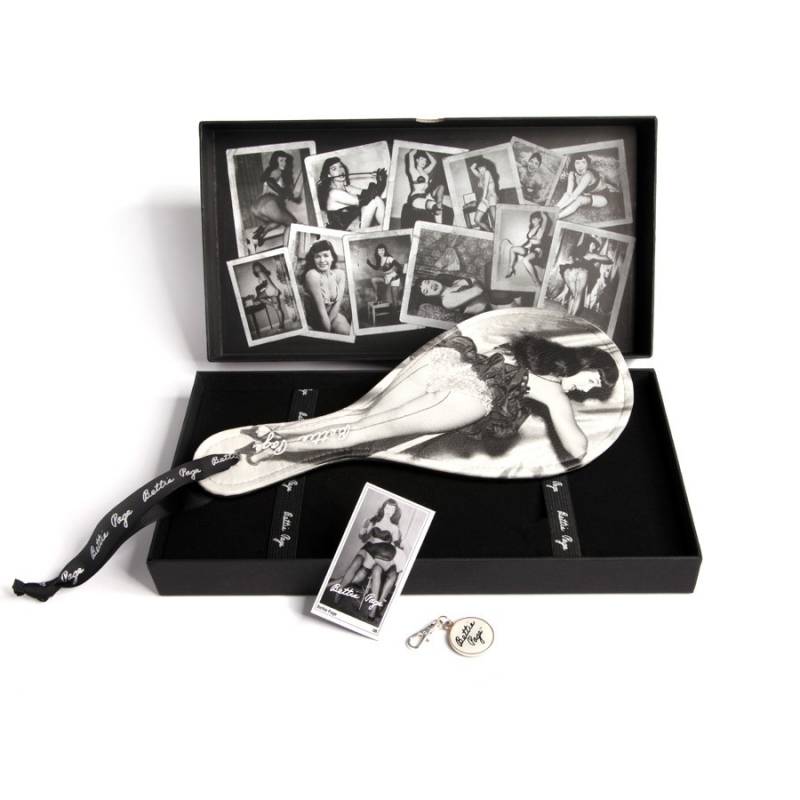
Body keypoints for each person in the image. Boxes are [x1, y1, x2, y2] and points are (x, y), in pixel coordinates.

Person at [257, 332, 620, 468]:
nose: (585, 390)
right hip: (462, 387)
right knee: (362, 424)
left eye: (593, 391)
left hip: (452, 370)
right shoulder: (549, 371)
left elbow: (577, 449)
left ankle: (278, 441)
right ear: (586, 362)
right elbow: (577, 449)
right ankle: (277, 443)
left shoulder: (550, 382)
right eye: (591, 381)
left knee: (362, 424)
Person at [329, 498, 405, 619]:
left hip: (379, 553)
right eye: (387, 507)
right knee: (355, 563)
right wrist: (363, 529)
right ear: (383, 508)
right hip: (368, 548)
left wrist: (400, 545)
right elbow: (363, 536)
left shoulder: (395, 528)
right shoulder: (374, 521)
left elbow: (396, 546)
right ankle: (339, 590)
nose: (388, 511)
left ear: (395, 511)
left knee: (362, 574)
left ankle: (336, 585)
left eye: (392, 509)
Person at [317, 156, 386, 230]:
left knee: (377, 199)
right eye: (334, 169)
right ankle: (385, 228)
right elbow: (364, 200)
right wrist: (379, 184)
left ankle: (386, 228)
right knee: (374, 201)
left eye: (341, 166)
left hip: (355, 226)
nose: (340, 170)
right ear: (329, 175)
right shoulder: (333, 193)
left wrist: (381, 182)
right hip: (343, 232)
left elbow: (368, 194)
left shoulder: (348, 188)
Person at [554, 235, 614, 317]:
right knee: (578, 295)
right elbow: (609, 260)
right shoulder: (591, 254)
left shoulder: (577, 251)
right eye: (593, 244)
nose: (595, 247)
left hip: (569, 271)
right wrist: (597, 256)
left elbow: (571, 260)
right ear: (589, 244)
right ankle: (572, 317)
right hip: (582, 272)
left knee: (573, 294)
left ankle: (569, 314)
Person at [249, 151, 301, 245]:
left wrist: (292, 198)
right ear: (275, 161)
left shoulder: (271, 172)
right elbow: (270, 181)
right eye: (281, 160)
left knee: (277, 222)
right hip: (268, 203)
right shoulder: (277, 171)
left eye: (285, 161)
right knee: (293, 224)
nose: (284, 163)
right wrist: (282, 191)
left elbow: (274, 188)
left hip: (257, 206)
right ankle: (288, 247)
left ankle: (260, 234)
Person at [302, 239, 351, 335]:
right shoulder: (312, 275)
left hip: (332, 315)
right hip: (317, 319)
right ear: (313, 259)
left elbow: (337, 304)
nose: (322, 260)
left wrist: (331, 324)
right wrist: (328, 333)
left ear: (332, 257)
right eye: (317, 256)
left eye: (326, 255)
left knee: (346, 332)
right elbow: (321, 312)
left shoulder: (339, 274)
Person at [556, 153, 619, 220]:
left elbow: (574, 196)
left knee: (578, 200)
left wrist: (559, 208)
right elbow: (568, 193)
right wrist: (556, 207)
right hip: (586, 194)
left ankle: (557, 217)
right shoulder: (572, 174)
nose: (580, 166)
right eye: (577, 163)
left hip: (603, 196)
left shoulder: (588, 176)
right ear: (573, 164)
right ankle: (552, 211)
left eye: (583, 162)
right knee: (567, 195)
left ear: (587, 164)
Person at [410, 273, 488, 319]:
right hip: (489, 309)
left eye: (427, 282)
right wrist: (474, 282)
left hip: (491, 297)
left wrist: (474, 281)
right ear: (429, 297)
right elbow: (478, 290)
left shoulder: (454, 283)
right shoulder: (447, 301)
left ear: (431, 279)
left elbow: (475, 280)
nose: (431, 286)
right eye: (426, 291)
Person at [400, 149, 446, 226]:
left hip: (426, 195)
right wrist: (420, 147)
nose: (423, 162)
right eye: (421, 159)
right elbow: (411, 154)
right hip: (416, 197)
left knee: (441, 187)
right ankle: (439, 224)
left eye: (425, 160)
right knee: (434, 206)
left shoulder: (425, 171)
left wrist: (425, 151)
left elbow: (434, 162)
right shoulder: (413, 171)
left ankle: (439, 225)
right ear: (417, 160)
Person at [504, 211, 548, 283]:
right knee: (513, 249)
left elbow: (545, 218)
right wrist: (520, 246)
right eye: (532, 219)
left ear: (540, 219)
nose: (533, 221)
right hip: (529, 249)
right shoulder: (532, 228)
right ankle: (510, 268)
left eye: (535, 219)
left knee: (525, 260)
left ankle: (535, 280)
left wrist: (541, 211)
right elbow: (529, 242)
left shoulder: (541, 228)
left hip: (537, 250)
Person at [465, 156, 500, 231]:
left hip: (491, 197)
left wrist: (483, 198)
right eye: (479, 168)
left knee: (495, 222)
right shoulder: (480, 175)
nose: (481, 170)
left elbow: (486, 186)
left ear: (485, 167)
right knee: (476, 220)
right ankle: (489, 232)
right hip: (485, 198)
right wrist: (478, 160)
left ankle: (495, 233)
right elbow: (472, 168)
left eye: (482, 167)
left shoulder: (487, 172)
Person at [252, 261, 285, 329]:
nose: (256, 268)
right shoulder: (264, 273)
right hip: (274, 290)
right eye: (255, 268)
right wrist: (276, 290)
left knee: (259, 298)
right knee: (277, 308)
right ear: (254, 270)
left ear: (260, 267)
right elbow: (269, 282)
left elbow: (265, 283)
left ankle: (272, 305)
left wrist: (257, 288)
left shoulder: (260, 273)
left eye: (257, 267)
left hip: (270, 289)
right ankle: (281, 325)